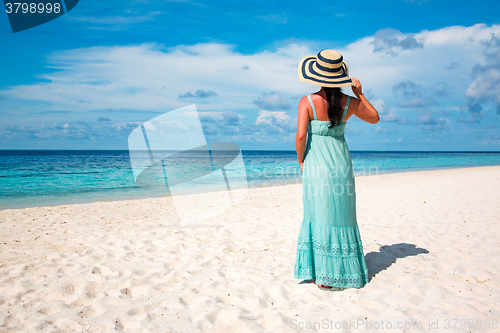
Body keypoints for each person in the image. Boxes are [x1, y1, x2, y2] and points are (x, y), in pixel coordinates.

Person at [294, 49, 380, 291]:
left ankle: (321, 274)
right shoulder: (350, 103)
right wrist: (360, 94)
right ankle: (340, 272)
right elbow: (374, 118)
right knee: (341, 215)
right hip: (341, 164)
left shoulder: (307, 102)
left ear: (318, 76)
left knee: (318, 213)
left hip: (316, 165)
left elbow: (301, 136)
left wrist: (301, 160)